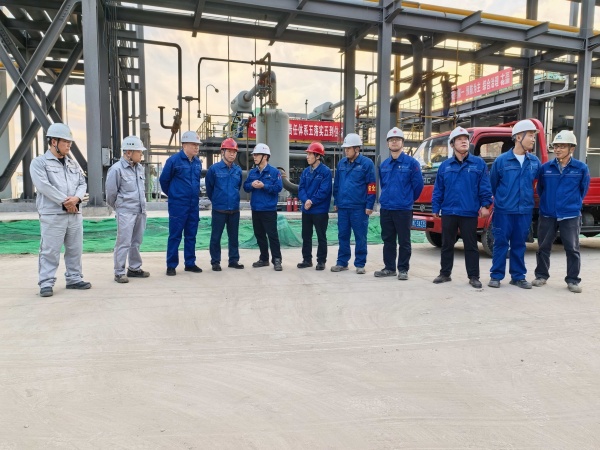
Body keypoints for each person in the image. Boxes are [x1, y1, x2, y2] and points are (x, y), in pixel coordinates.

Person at [29, 123, 91, 297]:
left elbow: (82, 183)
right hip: (53, 215)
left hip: (74, 214)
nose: (69, 145)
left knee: (75, 249)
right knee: (50, 250)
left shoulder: (73, 164)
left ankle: (74, 279)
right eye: (65, 142)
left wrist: (77, 198)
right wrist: (65, 202)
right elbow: (43, 186)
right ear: (53, 141)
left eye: (70, 142)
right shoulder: (39, 163)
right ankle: (46, 283)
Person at [431, 126, 493, 288]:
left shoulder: (478, 164)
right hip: (449, 211)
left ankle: (474, 276)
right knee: (447, 244)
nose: (464, 141)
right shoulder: (445, 166)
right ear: (452, 144)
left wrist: (485, 205)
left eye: (465, 139)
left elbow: (485, 187)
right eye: (459, 139)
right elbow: (439, 189)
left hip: (469, 211)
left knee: (471, 245)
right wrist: (435, 207)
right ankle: (445, 274)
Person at [532, 130, 590, 293]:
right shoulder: (546, 168)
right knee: (543, 246)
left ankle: (573, 280)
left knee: (572, 248)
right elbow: (541, 189)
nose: (557, 149)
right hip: (548, 214)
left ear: (572, 148)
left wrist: (571, 204)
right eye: (556, 146)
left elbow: (583, 190)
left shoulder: (581, 168)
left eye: (562, 146)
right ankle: (541, 275)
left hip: (570, 215)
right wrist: (549, 203)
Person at [488, 119, 542, 289]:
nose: (533, 139)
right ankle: (496, 276)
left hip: (524, 211)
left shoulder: (534, 162)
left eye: (534, 136)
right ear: (519, 137)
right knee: (500, 243)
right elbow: (492, 185)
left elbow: (540, 185)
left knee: (519, 244)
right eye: (530, 135)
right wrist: (502, 201)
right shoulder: (501, 161)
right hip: (503, 211)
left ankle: (518, 277)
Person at [374, 127, 424, 280]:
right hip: (387, 208)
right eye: (391, 140)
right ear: (388, 143)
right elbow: (383, 184)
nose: (394, 142)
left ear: (402, 143)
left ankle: (403, 269)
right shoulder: (384, 165)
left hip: (403, 209)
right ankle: (389, 268)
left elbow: (418, 186)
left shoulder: (412, 163)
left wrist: (407, 199)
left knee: (404, 241)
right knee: (388, 240)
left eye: (397, 140)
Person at [105, 136, 150, 283]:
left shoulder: (139, 168)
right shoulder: (116, 169)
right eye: (139, 152)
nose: (141, 154)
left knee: (136, 241)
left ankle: (134, 268)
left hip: (140, 211)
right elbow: (110, 194)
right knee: (123, 242)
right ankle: (119, 272)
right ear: (129, 152)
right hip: (125, 212)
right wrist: (120, 208)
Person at [331, 132, 376, 274]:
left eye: (349, 148)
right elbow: (337, 184)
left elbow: (371, 185)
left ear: (357, 149)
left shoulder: (366, 164)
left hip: (359, 208)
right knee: (343, 235)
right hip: (343, 207)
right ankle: (342, 262)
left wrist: (369, 205)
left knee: (360, 236)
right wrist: (336, 201)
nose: (346, 151)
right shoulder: (341, 163)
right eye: (345, 148)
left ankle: (360, 263)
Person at [159, 130, 203, 276]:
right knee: (175, 235)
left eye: (197, 145)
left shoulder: (197, 162)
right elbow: (164, 180)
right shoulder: (173, 161)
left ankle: (190, 263)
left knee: (191, 235)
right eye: (193, 144)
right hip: (178, 205)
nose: (196, 147)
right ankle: (171, 265)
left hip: (193, 205)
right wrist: (174, 195)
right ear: (184, 145)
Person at [205, 137, 244, 271]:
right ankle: (215, 261)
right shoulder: (214, 169)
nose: (232, 154)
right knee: (216, 237)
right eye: (229, 151)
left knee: (233, 237)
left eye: (234, 152)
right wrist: (217, 200)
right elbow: (210, 189)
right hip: (219, 210)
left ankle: (233, 260)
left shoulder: (238, 170)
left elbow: (238, 186)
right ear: (223, 152)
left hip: (234, 210)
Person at [243, 143, 284, 271]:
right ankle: (264, 258)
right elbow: (245, 187)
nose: (254, 157)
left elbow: (278, 188)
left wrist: (264, 186)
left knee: (272, 235)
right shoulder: (252, 172)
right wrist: (251, 185)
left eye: (257, 155)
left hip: (268, 210)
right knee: (259, 235)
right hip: (256, 209)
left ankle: (277, 259)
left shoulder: (274, 172)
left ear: (265, 156)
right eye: (254, 155)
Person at [297, 141, 333, 271]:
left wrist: (311, 201)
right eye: (307, 154)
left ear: (318, 156)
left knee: (321, 236)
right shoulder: (306, 172)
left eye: (310, 154)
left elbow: (324, 191)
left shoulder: (325, 172)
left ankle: (321, 261)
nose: (307, 157)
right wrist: (305, 200)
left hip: (319, 210)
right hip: (307, 210)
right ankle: (307, 260)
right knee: (306, 236)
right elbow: (301, 188)